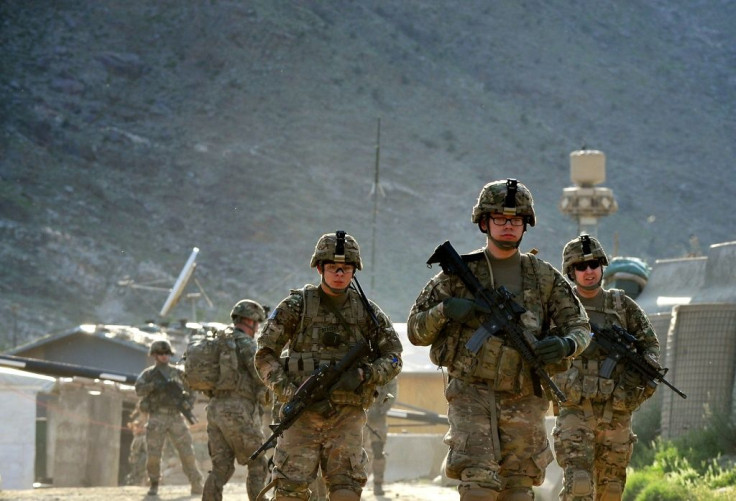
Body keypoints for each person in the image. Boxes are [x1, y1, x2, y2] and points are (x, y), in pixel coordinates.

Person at [407, 178, 591, 501]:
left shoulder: (543, 277)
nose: (509, 226)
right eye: (500, 219)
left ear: (526, 225)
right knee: (477, 488)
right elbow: (415, 331)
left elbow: (581, 326)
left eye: (516, 220)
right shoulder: (457, 274)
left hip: (524, 401)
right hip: (471, 398)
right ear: (484, 222)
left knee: (518, 492)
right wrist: (446, 310)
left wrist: (566, 345)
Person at [255, 230, 403, 501]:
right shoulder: (296, 306)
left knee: (346, 488)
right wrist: (290, 392)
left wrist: (365, 373)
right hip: (302, 416)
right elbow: (265, 354)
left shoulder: (367, 312)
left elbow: (394, 356)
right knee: (290, 490)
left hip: (346, 416)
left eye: (346, 268)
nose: (339, 274)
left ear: (354, 271)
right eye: (333, 267)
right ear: (320, 268)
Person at [552, 234, 660, 500]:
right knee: (578, 487)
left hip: (616, 414)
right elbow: (541, 351)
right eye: (581, 266)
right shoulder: (559, 308)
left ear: (602, 266)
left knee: (611, 490)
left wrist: (637, 379)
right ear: (571, 271)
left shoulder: (622, 306)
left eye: (594, 264)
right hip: (575, 411)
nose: (588, 271)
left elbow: (650, 348)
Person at [202, 299, 270, 501]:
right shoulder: (246, 344)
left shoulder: (218, 342)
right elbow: (261, 375)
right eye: (257, 323)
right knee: (257, 462)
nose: (257, 328)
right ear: (251, 321)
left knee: (220, 468)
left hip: (214, 409)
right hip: (238, 410)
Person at [135, 339, 203, 496]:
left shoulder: (177, 373)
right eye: (160, 353)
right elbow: (139, 389)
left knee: (187, 452)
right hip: (157, 416)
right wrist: (154, 386)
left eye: (166, 353)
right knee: (153, 454)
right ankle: (153, 484)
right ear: (154, 355)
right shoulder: (149, 374)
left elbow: (192, 389)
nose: (164, 356)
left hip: (175, 417)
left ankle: (196, 483)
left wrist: (187, 403)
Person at [363, 378, 398, 496]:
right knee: (357, 451)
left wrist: (381, 408)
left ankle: (377, 484)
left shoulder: (387, 368)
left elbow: (391, 394)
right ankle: (357, 485)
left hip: (378, 416)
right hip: (361, 414)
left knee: (378, 451)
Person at [125, 408, 148, 486]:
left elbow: (145, 451)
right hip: (134, 460)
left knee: (141, 473)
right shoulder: (136, 438)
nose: (135, 429)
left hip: (140, 460)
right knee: (134, 474)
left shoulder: (143, 438)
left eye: (137, 427)